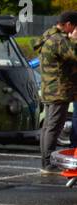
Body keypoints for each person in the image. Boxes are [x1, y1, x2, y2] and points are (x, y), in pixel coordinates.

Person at [38, 12, 77, 171]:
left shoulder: (48, 36)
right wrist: (74, 40)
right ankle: (47, 163)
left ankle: (45, 161)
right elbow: (75, 55)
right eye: (74, 26)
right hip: (58, 91)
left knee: (48, 127)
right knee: (53, 128)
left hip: (49, 89)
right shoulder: (60, 40)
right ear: (68, 24)